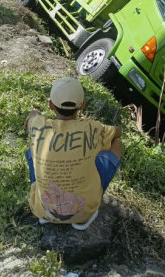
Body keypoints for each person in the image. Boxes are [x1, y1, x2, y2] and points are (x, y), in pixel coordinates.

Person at [25, 77, 122, 230]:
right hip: (84, 212)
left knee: (33, 148)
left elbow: (31, 118)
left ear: (51, 105)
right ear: (82, 105)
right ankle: (83, 217)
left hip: (42, 209)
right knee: (115, 143)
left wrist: (34, 113)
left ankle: (46, 215)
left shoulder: (38, 124)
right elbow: (117, 133)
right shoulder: (93, 128)